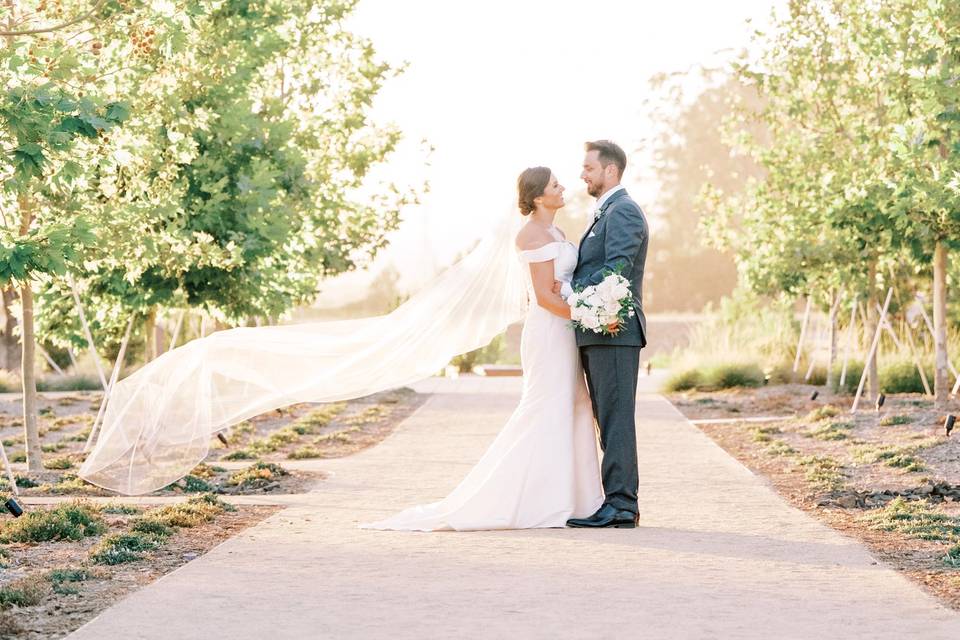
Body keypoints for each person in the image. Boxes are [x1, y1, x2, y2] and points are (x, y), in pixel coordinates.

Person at [364, 166, 605, 530]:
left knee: (577, 403)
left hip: (564, 327)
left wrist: (577, 306)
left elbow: (562, 285)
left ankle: (581, 499)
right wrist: (588, 315)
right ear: (539, 196)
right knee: (549, 406)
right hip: (549, 331)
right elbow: (542, 297)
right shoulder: (530, 236)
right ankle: (540, 499)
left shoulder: (556, 231)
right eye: (555, 184)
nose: (563, 187)